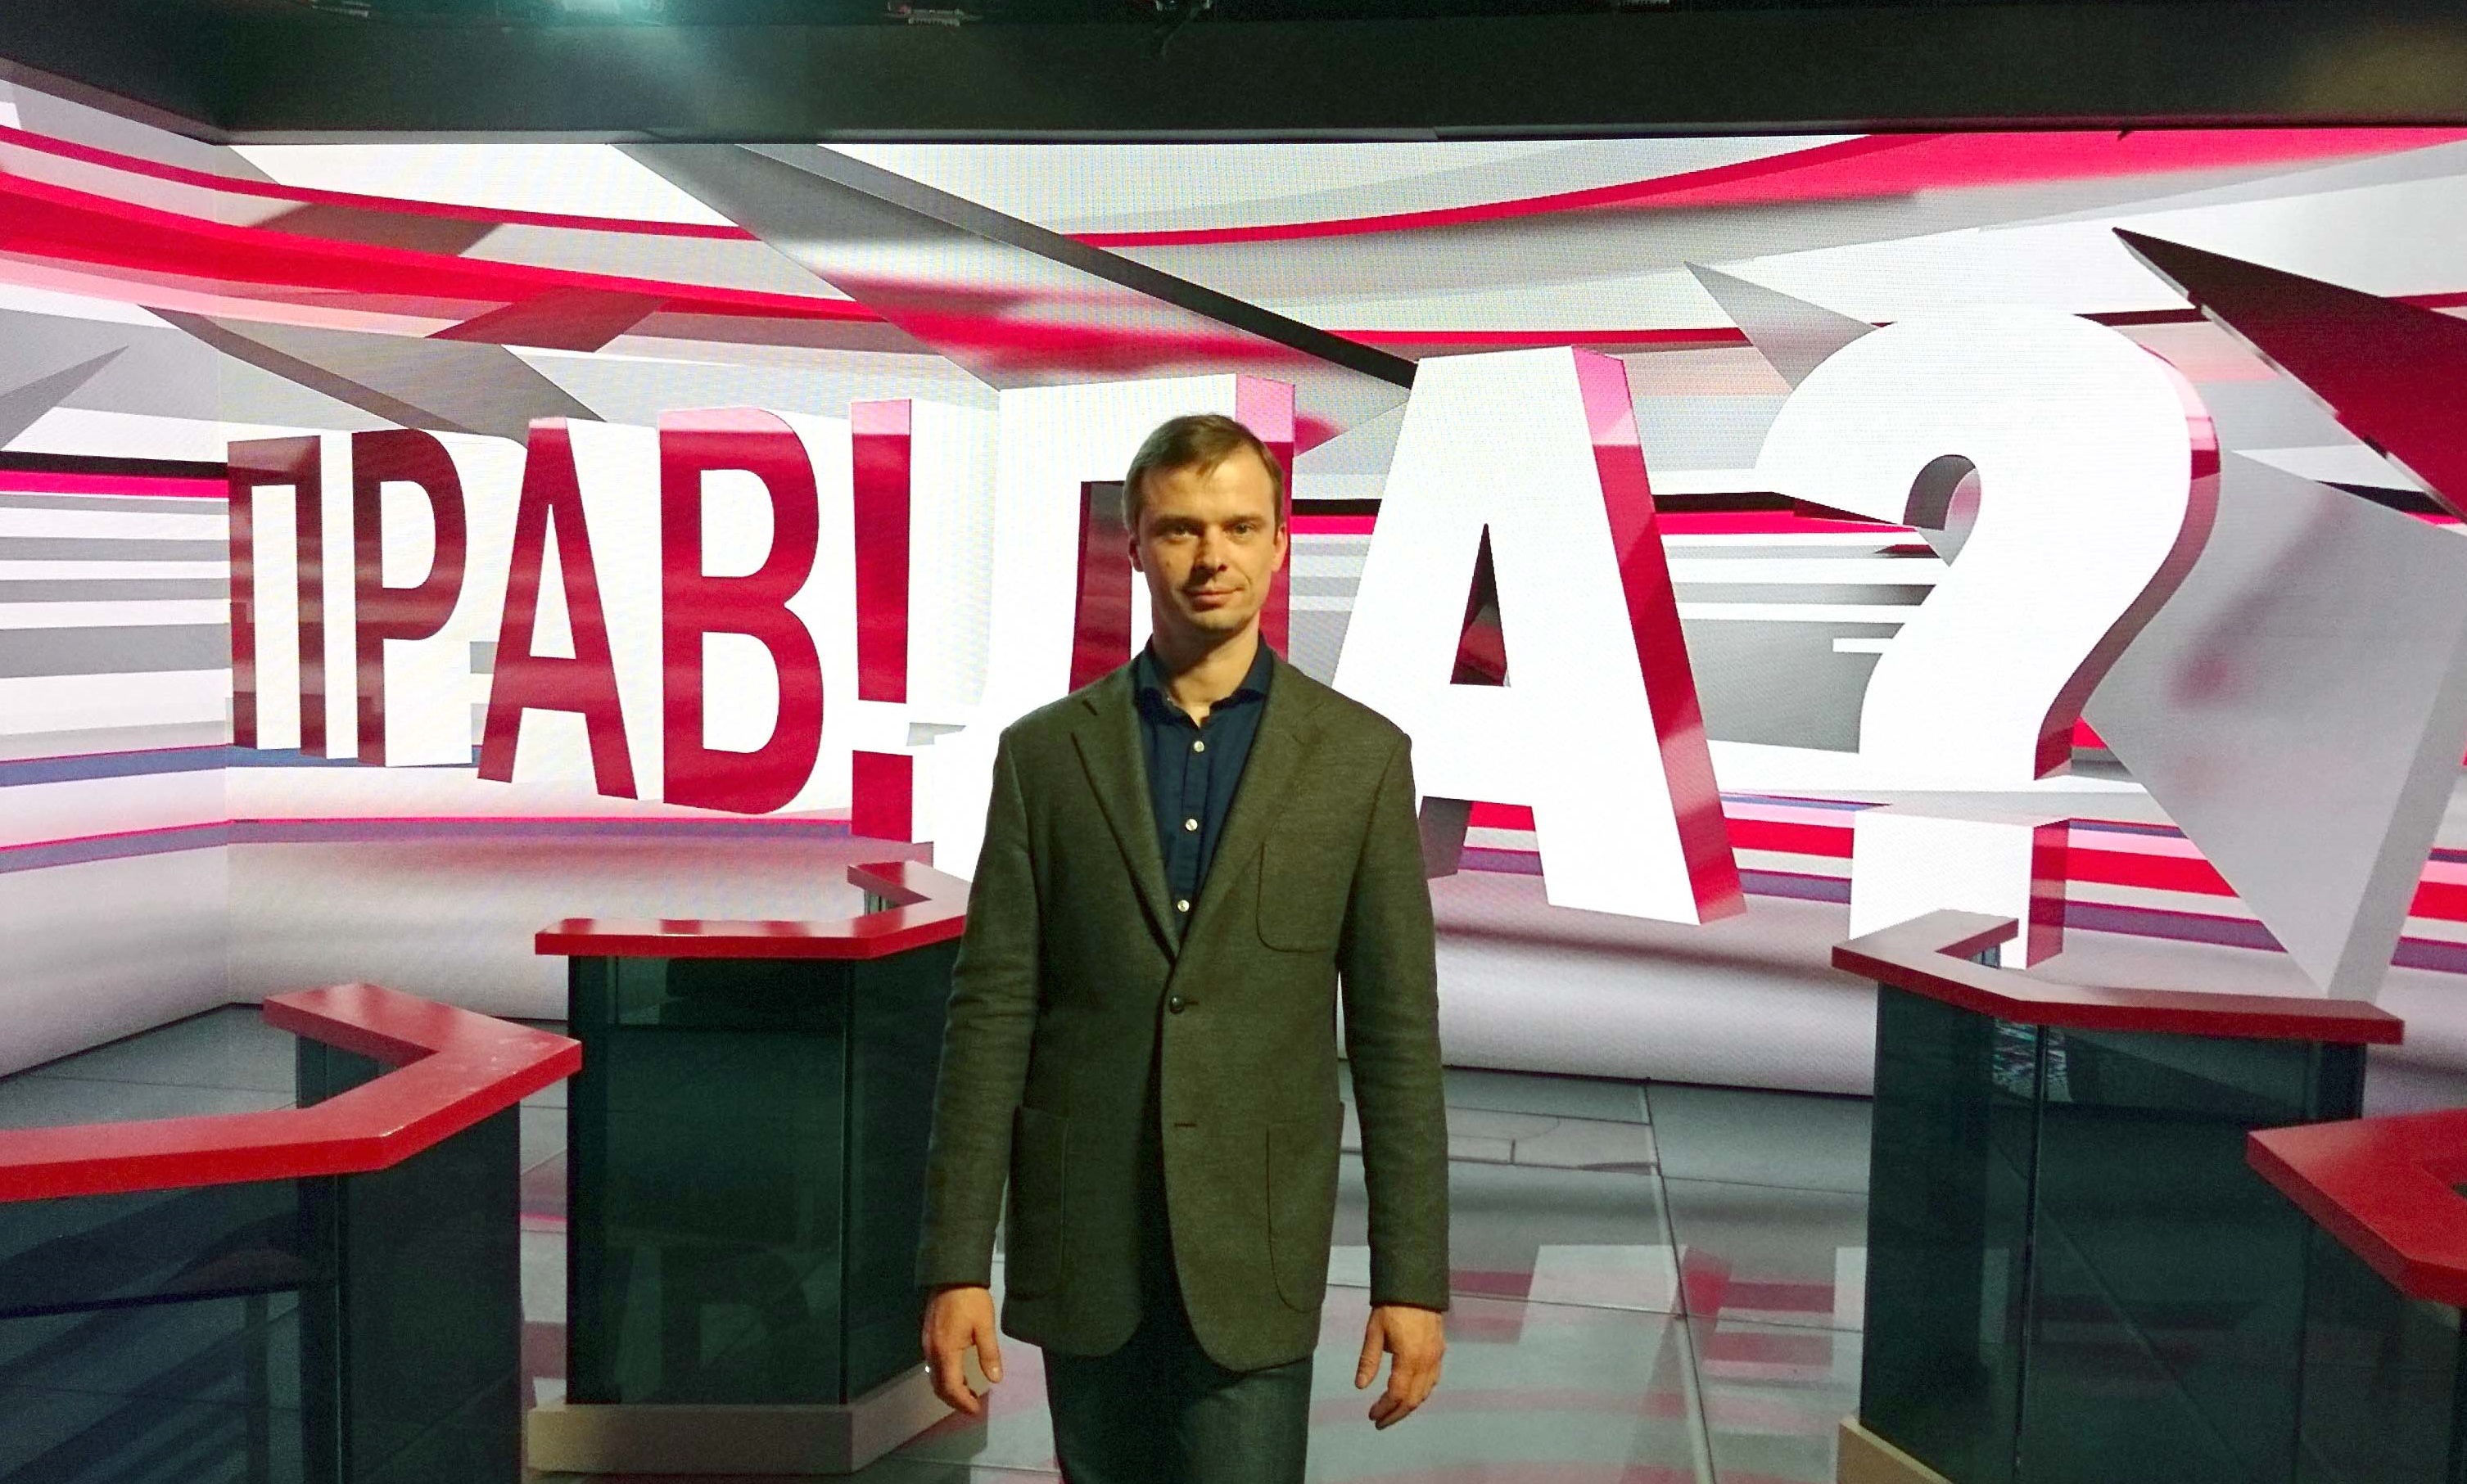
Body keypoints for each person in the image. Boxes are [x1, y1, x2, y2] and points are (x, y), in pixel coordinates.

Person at [914, 413, 1450, 1484]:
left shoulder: (1358, 761)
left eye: (1239, 526)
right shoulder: (1045, 757)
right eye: (1180, 529)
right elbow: (992, 1015)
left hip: (1257, 1249)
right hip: (1086, 1242)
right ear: (1135, 546)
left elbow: (1396, 1039)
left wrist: (1413, 1279)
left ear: (1280, 542)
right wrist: (955, 1262)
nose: (1212, 557)